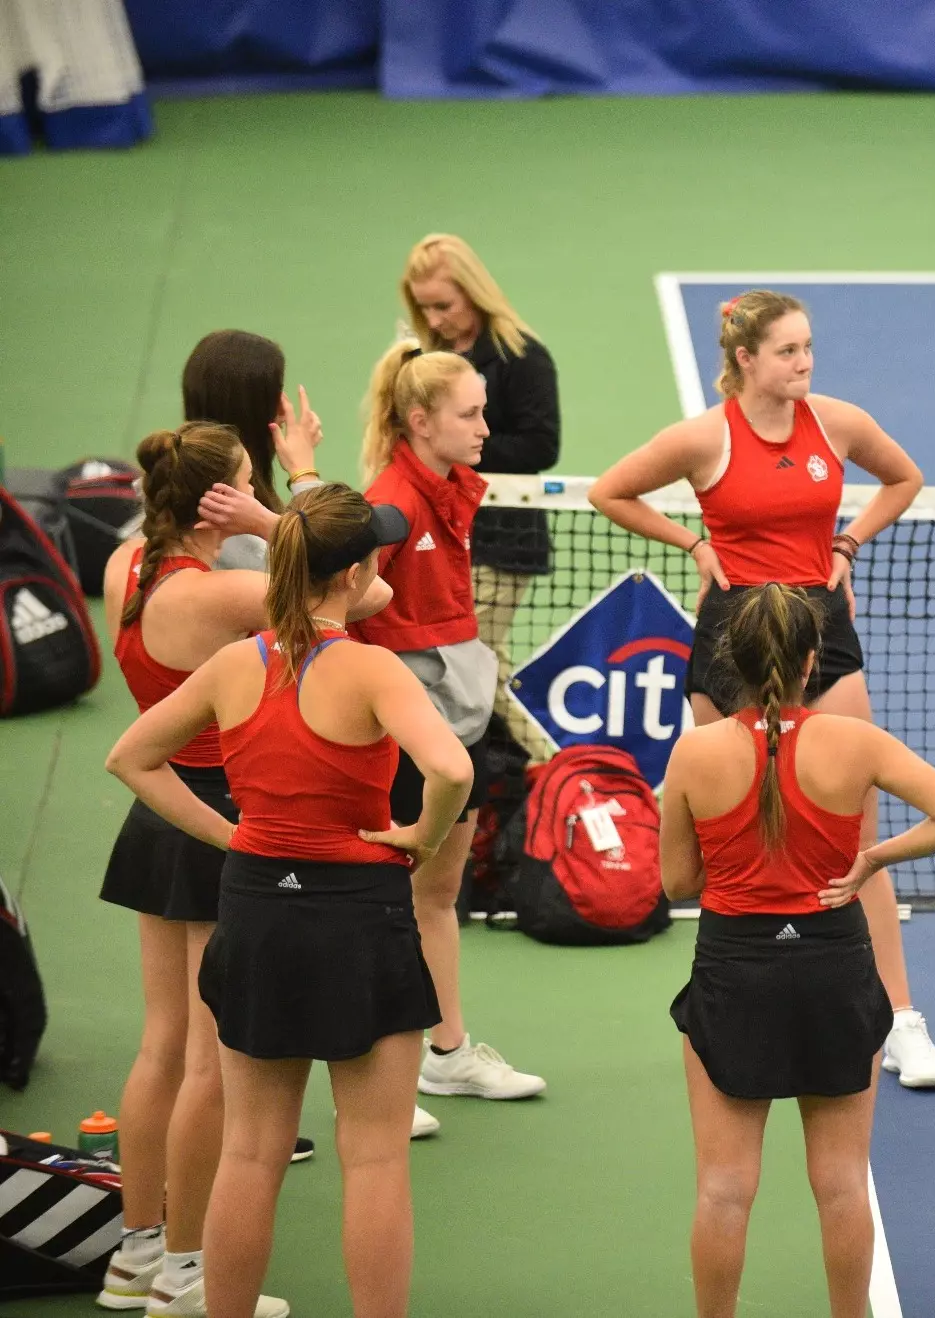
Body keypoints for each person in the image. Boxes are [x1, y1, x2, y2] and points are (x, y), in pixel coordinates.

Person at [106, 483, 470, 1318]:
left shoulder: (236, 662)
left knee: (250, 1153)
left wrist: (231, 837)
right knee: (375, 1159)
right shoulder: (373, 670)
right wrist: (420, 834)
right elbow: (451, 769)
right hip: (358, 913)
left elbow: (131, 757)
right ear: (353, 575)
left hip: (258, 906)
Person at [590, 288, 935, 1090]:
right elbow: (608, 491)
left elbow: (904, 478)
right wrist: (691, 540)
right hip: (733, 641)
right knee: (739, 823)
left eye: (809, 347)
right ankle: (734, 990)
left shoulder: (838, 423)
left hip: (818, 630)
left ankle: (898, 1019)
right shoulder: (702, 437)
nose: (805, 362)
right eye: (788, 351)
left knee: (857, 828)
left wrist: (849, 545)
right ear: (744, 359)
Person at [659, 584, 935, 1318]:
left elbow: (676, 880)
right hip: (835, 971)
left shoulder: (694, 752)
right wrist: (870, 859)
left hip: (733, 972)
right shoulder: (856, 743)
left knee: (722, 1187)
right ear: (812, 662)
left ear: (727, 666)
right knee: (841, 1181)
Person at [355, 341, 545, 1129]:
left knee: (438, 893)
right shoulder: (390, 502)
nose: (485, 425)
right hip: (403, 729)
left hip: (456, 718)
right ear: (420, 420)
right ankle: (377, 1077)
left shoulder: (456, 487)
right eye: (470, 414)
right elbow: (341, 603)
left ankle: (447, 1054)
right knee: (383, 901)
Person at [401, 233, 561, 761]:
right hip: (441, 535)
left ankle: (551, 768)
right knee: (467, 660)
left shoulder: (522, 356)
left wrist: (459, 445)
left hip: (502, 539)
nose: (437, 318)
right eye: (424, 307)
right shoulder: (428, 355)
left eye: (444, 305)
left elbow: (542, 443)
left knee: (475, 659)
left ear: (474, 293)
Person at [179, 329, 326, 572]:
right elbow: (330, 572)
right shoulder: (223, 510)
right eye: (272, 396)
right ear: (246, 410)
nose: (283, 409)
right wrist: (303, 472)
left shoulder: (177, 476)